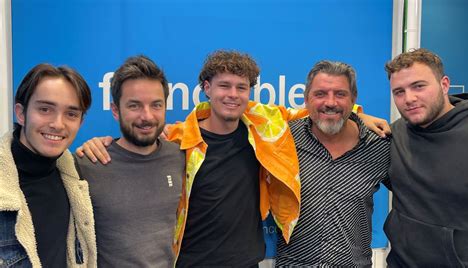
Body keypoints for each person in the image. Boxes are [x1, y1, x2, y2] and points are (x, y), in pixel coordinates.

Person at [76, 50, 389, 267]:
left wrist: (361, 115)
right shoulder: (178, 139)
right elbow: (136, 145)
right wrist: (101, 143)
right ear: (206, 89)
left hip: (247, 263)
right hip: (190, 263)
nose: (232, 94)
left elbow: (316, 109)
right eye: (224, 85)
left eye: (242, 87)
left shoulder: (264, 129)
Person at [275, 61, 390, 267]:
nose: (330, 102)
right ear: (306, 99)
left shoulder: (380, 146)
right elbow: (242, 111)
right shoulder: (283, 138)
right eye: (320, 94)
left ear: (353, 99)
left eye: (340, 94)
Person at [74, 55, 185, 267]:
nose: (147, 116)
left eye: (156, 105)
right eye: (134, 106)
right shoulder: (87, 164)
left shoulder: (182, 157)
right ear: (115, 110)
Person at [384, 48, 468, 267]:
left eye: (418, 86)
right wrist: (357, 117)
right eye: (399, 91)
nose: (409, 98)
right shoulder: (394, 134)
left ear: (444, 84)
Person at [0, 64, 96, 267]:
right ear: (21, 113)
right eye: (45, 109)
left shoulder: (78, 176)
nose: (58, 124)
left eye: (71, 114)